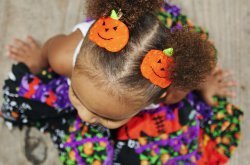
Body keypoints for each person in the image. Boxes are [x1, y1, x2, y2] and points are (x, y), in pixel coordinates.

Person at [1, 0, 243, 164]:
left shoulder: (170, 89)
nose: (84, 117)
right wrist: (38, 60)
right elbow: (48, 52)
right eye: (76, 94)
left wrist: (205, 85)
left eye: (109, 117)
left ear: (157, 98)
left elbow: (191, 77)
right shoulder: (64, 56)